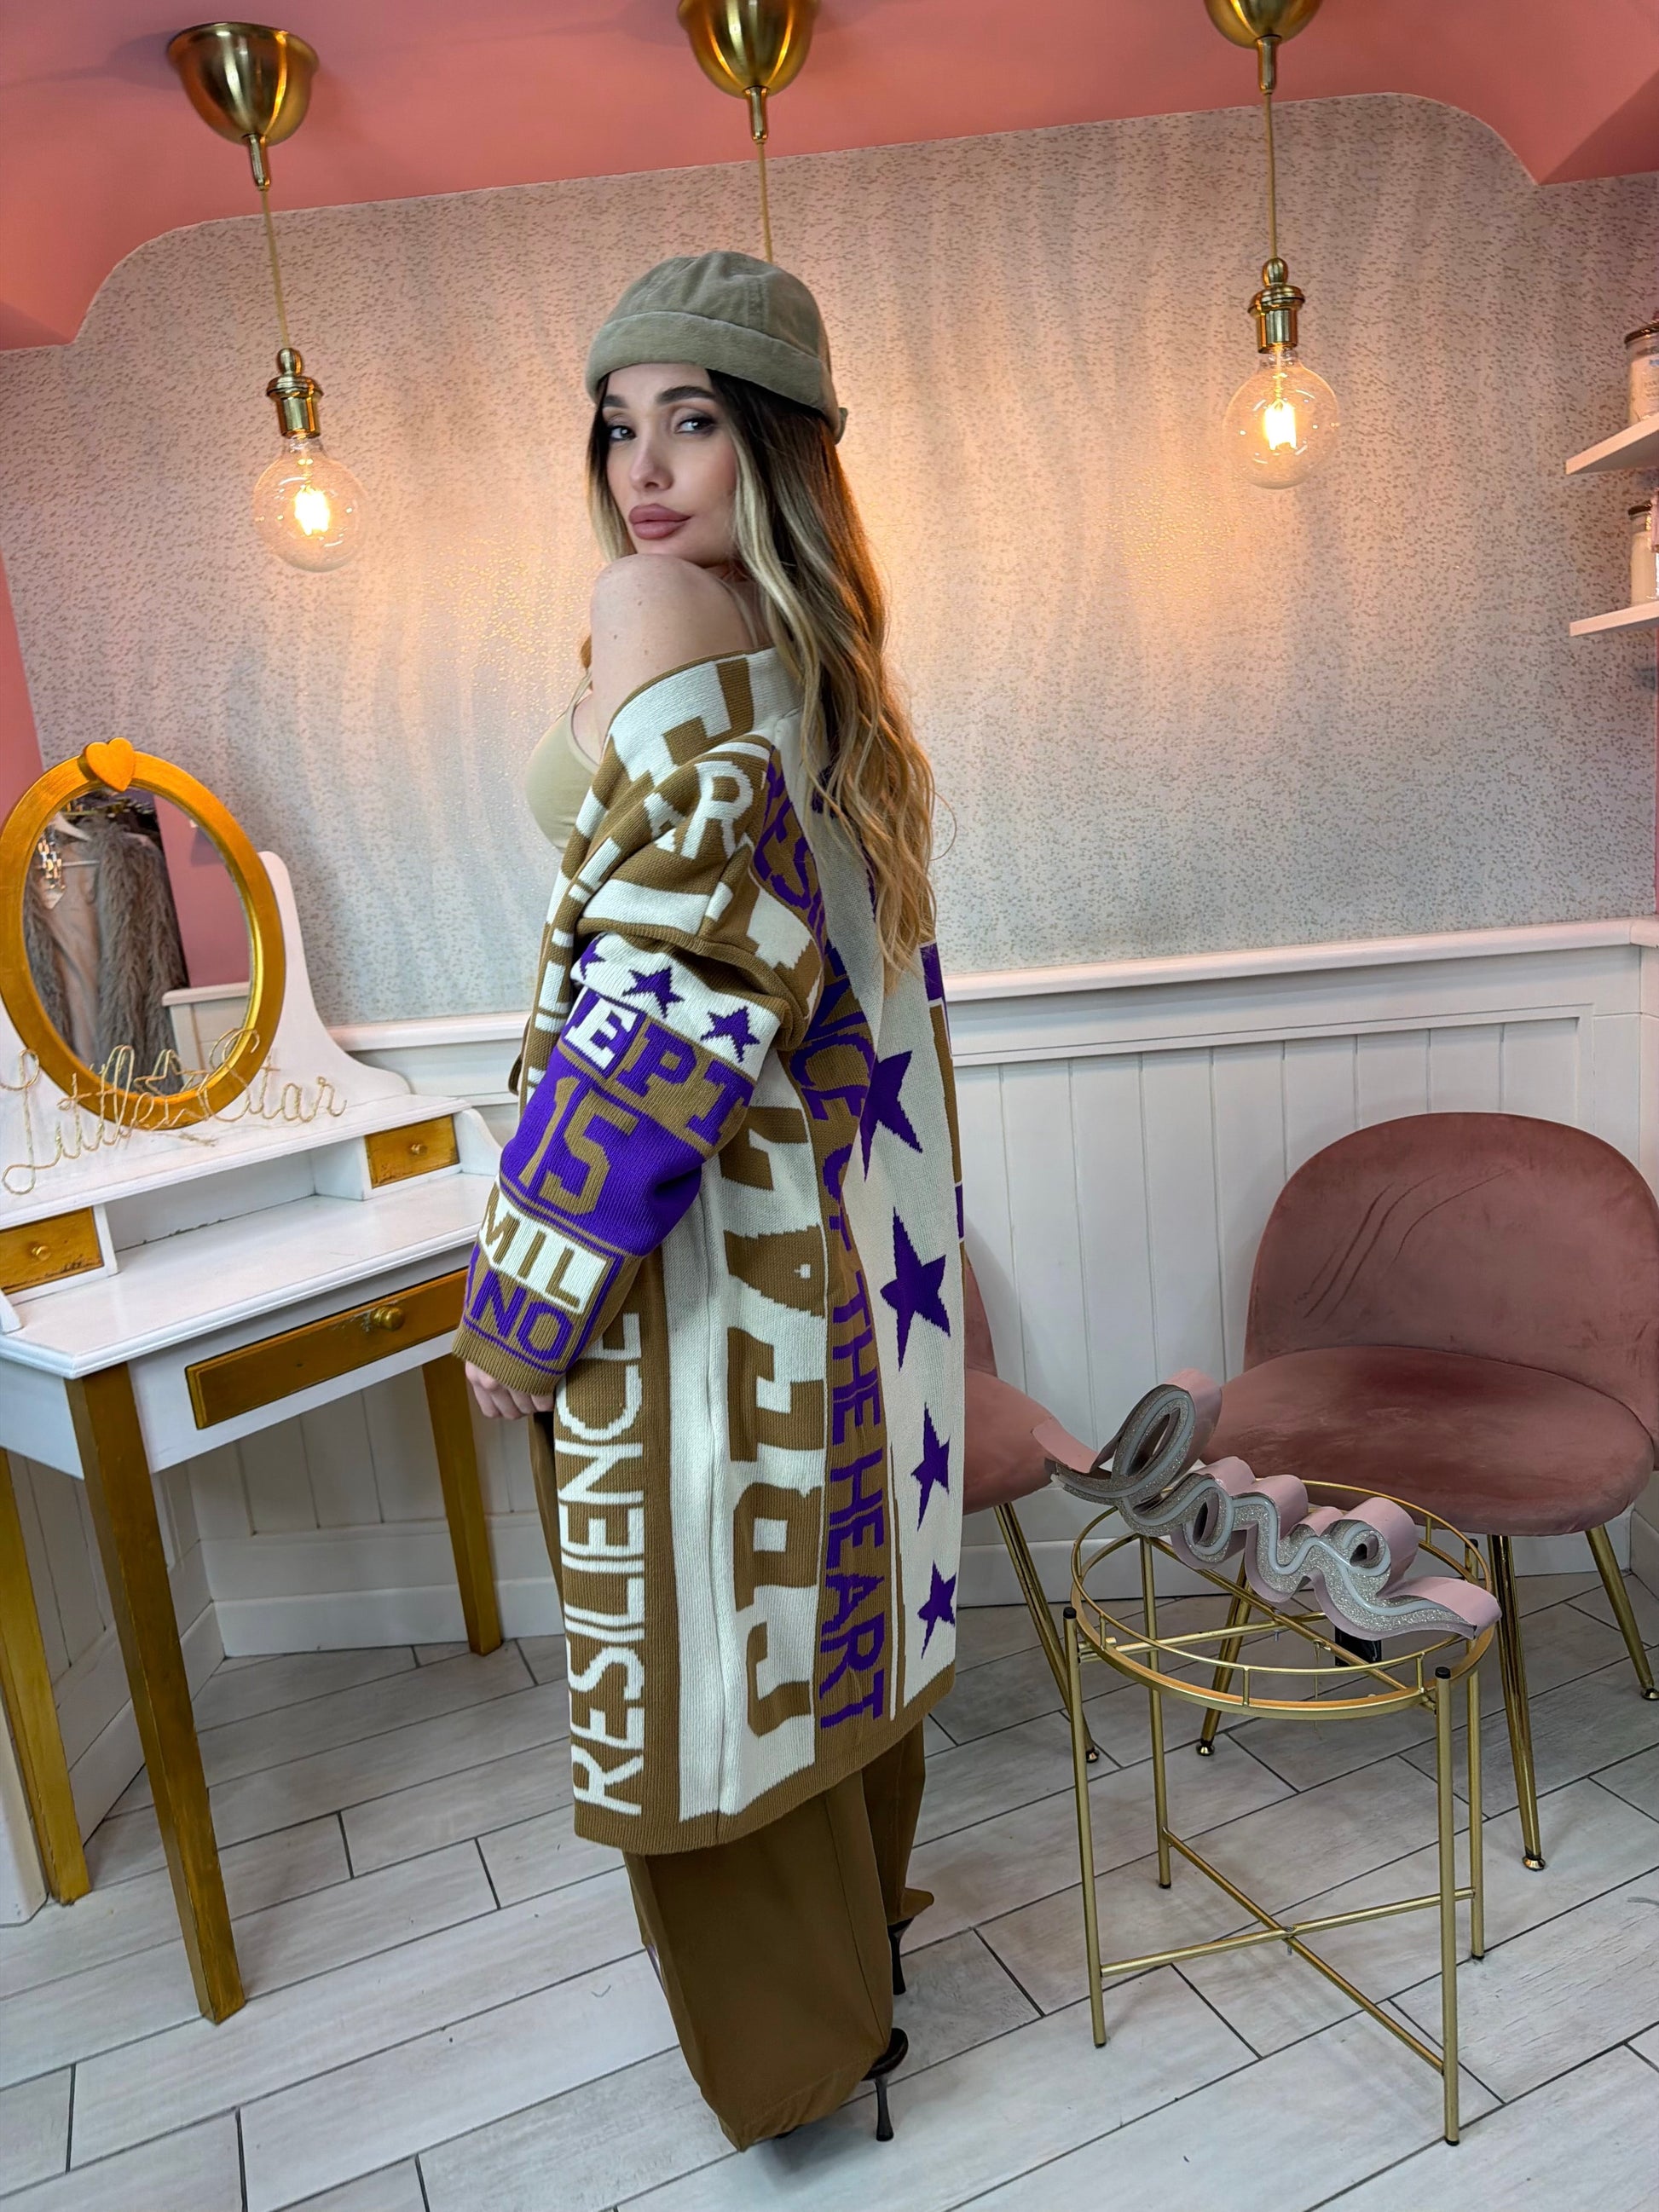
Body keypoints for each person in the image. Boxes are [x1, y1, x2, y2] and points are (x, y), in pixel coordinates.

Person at [454, 251, 963, 2150]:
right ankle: (860, 1972)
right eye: (618, 424)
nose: (643, 467)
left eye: (693, 420)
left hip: (694, 1261)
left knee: (700, 1651)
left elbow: (667, 992)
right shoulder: (829, 673)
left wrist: (526, 1293)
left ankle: (800, 2056)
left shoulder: (654, 603)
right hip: (843, 1251)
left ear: (781, 445)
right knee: (819, 1617)